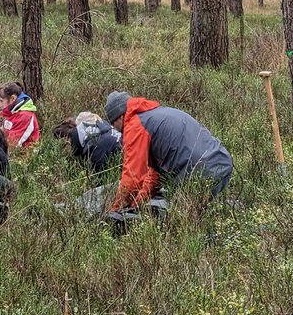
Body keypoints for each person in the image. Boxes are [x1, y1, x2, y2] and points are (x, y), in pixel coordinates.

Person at [103, 90, 232, 228]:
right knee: (200, 218)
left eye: (113, 124)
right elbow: (155, 175)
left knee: (181, 228)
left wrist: (114, 210)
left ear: (119, 117)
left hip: (200, 171)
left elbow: (133, 177)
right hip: (222, 162)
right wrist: (136, 204)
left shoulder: (135, 125)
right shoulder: (157, 114)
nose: (115, 129)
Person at [52, 111, 122, 174]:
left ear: (67, 140)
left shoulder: (95, 148)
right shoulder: (99, 133)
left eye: (63, 146)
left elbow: (100, 183)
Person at [0, 82, 40, 149]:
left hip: (24, 157)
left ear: (13, 98)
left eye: (1, 101)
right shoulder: (12, 113)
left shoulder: (25, 116)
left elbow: (12, 144)